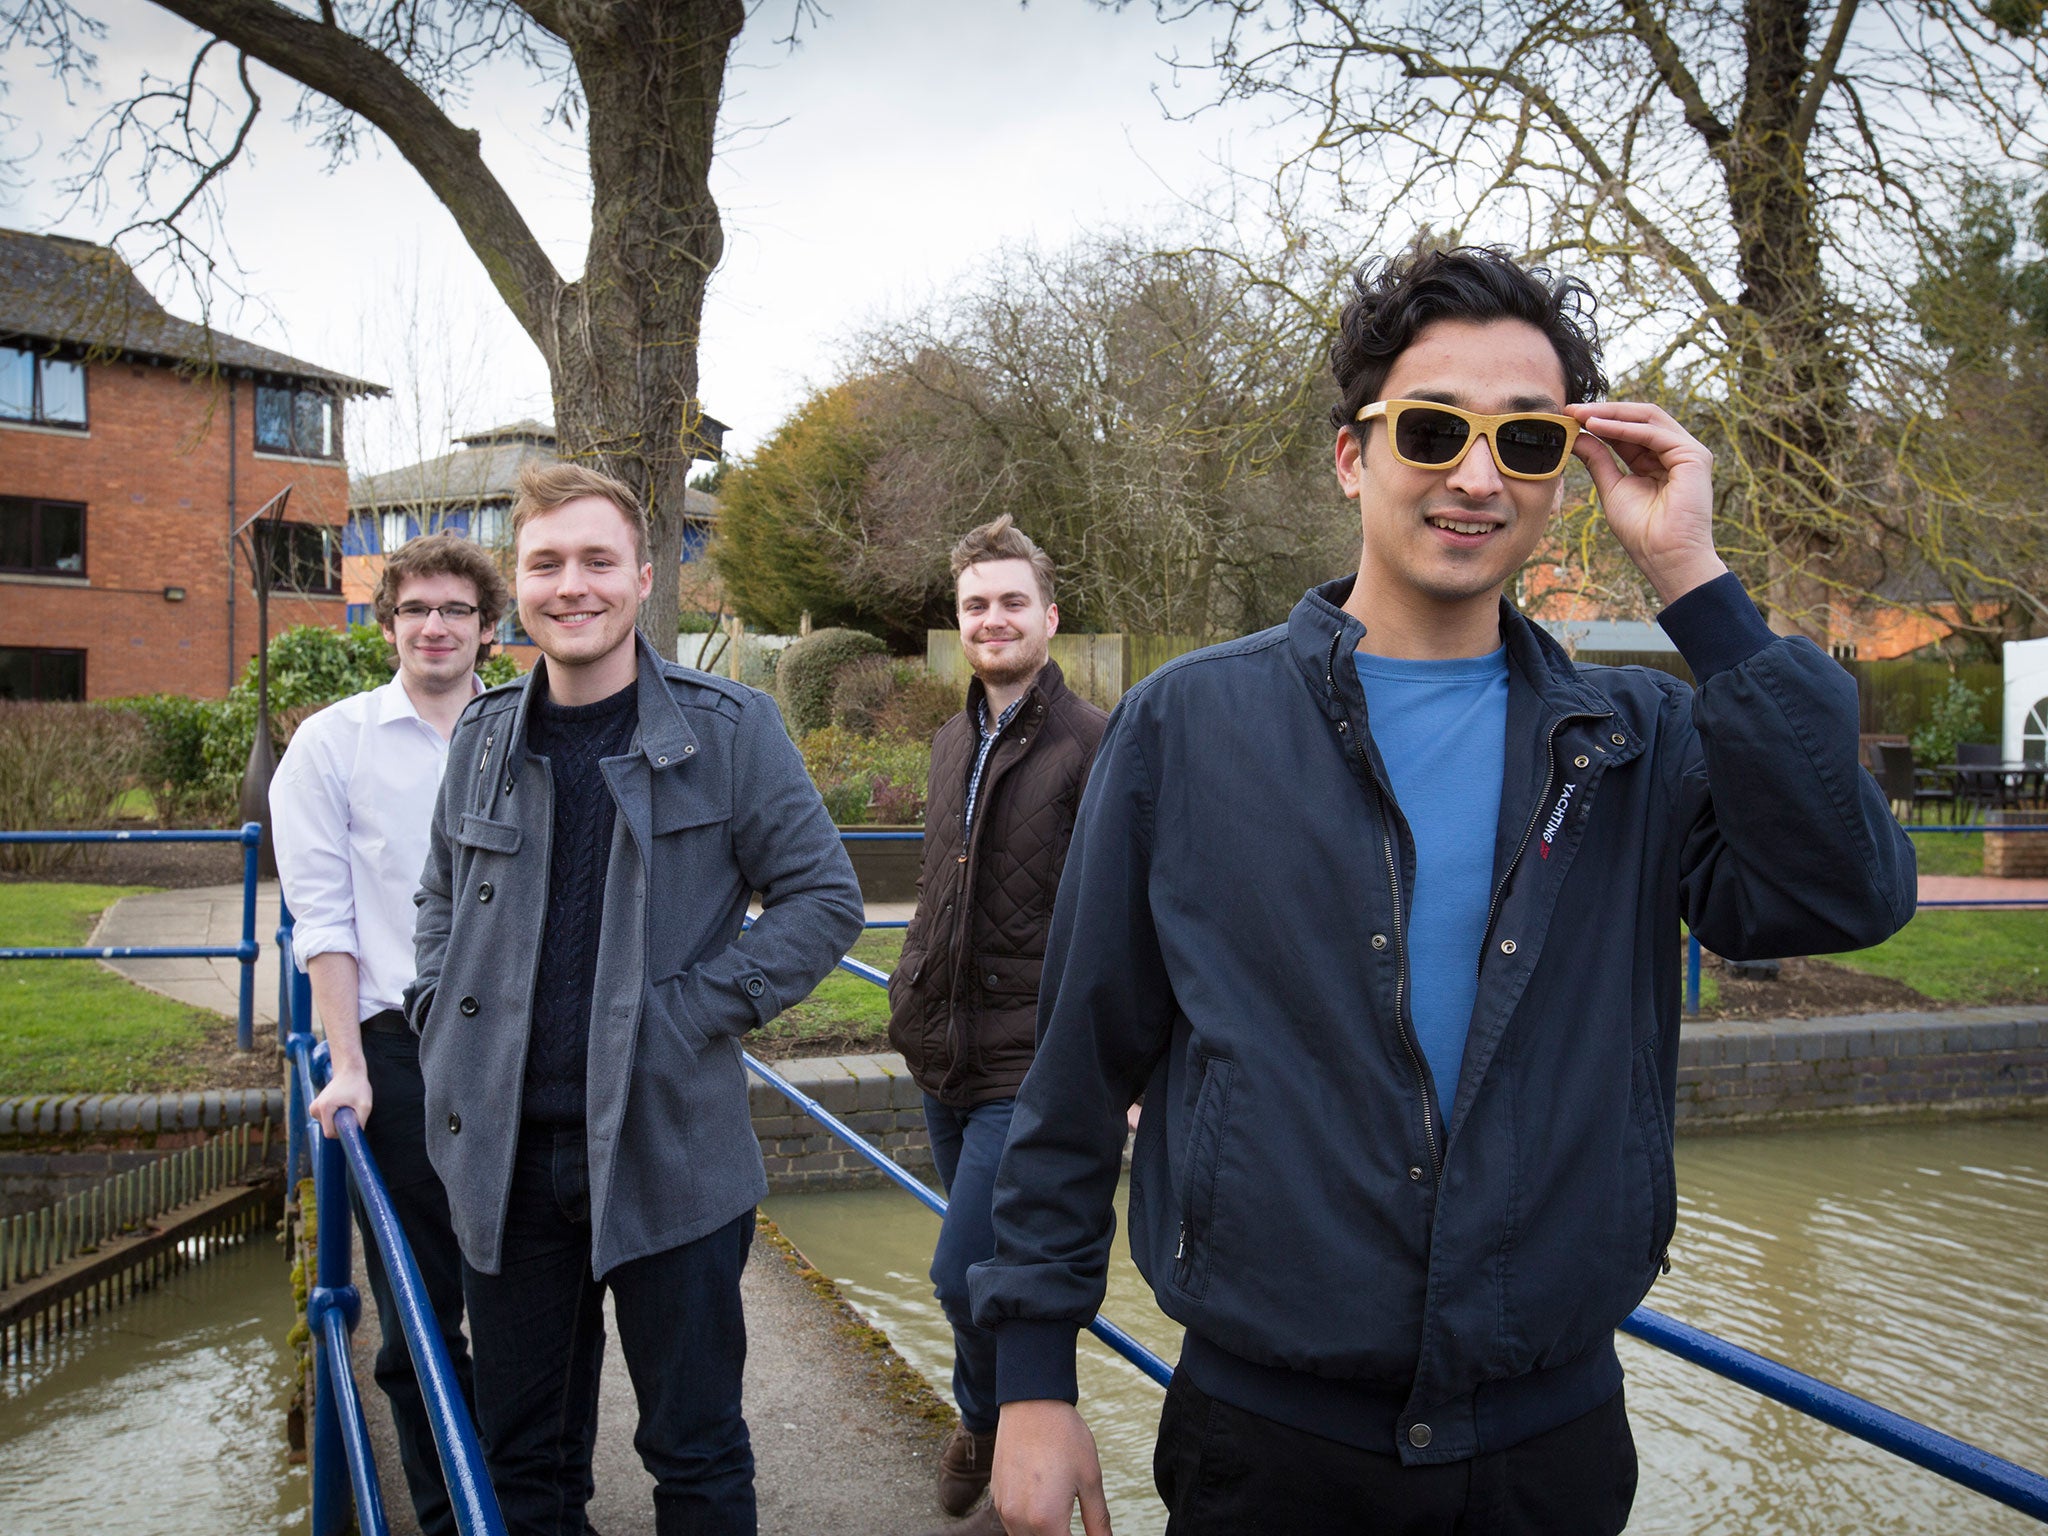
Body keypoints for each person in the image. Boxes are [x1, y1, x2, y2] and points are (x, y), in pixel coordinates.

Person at [971, 246, 1919, 1535]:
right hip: (1268, 1444)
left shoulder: (1632, 737)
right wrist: (1031, 1378)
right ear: (1353, 455)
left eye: (1525, 441)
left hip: (1549, 1446)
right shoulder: (1189, 726)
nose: (1476, 477)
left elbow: (1845, 893)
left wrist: (1697, 586)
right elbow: (1079, 1063)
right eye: (1432, 429)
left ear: (1563, 475)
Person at [406, 462, 865, 1536]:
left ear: (643, 578)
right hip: (505, 1167)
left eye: (597, 561)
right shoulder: (480, 738)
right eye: (546, 563)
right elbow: (436, 899)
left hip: (668, 1153)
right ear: (517, 585)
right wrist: (439, 1010)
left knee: (695, 1455)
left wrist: (686, 1015)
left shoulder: (732, 730)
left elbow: (822, 897)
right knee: (523, 1463)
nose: (573, 586)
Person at [270, 532, 507, 1536]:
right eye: (416, 610)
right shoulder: (333, 744)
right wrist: (346, 1066)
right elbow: (322, 919)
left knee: (527, 1292)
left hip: (525, 1048)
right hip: (402, 1048)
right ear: (389, 624)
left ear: (489, 631)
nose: (435, 627)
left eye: (456, 610)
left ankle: (530, 1497)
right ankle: (454, 1514)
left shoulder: (524, 733)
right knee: (417, 1304)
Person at [887, 516, 1107, 1535]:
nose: (992, 618)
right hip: (942, 1055)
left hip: (1030, 1061)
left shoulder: (1094, 743)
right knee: (975, 1269)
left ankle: (987, 1426)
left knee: (959, 1269)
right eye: (976, 603)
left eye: (1011, 600)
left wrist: (1135, 1061)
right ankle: (1000, 1420)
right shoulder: (949, 742)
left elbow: (1129, 909)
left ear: (1048, 615)